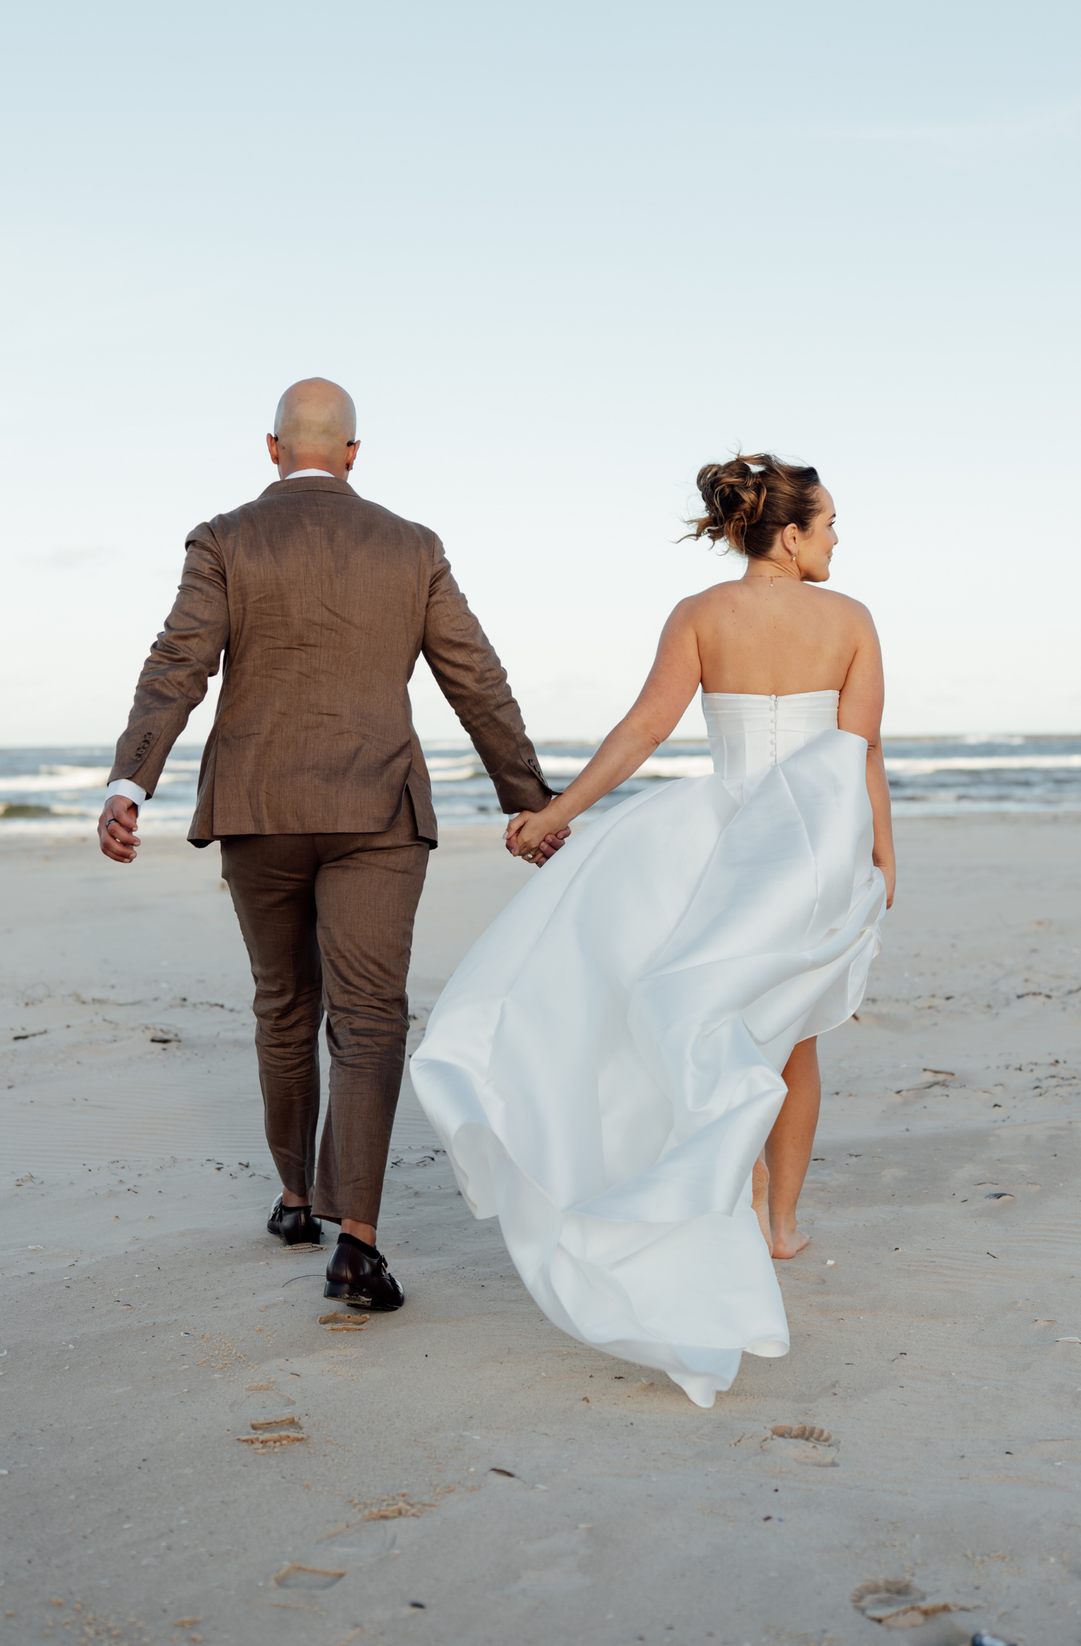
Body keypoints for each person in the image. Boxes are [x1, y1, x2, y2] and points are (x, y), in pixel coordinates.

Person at [411, 451, 893, 1406]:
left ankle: (722, 1187)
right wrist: (882, 858)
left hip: (712, 837)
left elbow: (643, 730)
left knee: (693, 1015)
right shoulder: (851, 622)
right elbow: (861, 750)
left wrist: (558, 812)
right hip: (805, 851)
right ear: (789, 535)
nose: (839, 536)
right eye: (830, 521)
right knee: (788, 1032)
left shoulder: (700, 616)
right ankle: (780, 1224)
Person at [96, 378, 556, 1312]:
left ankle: (297, 1198)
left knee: (284, 1004)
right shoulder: (411, 545)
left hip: (258, 806)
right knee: (370, 1017)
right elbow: (476, 677)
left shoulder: (223, 537)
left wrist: (128, 780)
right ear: (352, 453)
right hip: (376, 812)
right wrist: (528, 798)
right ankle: (358, 1244)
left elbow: (175, 663)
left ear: (272, 450)